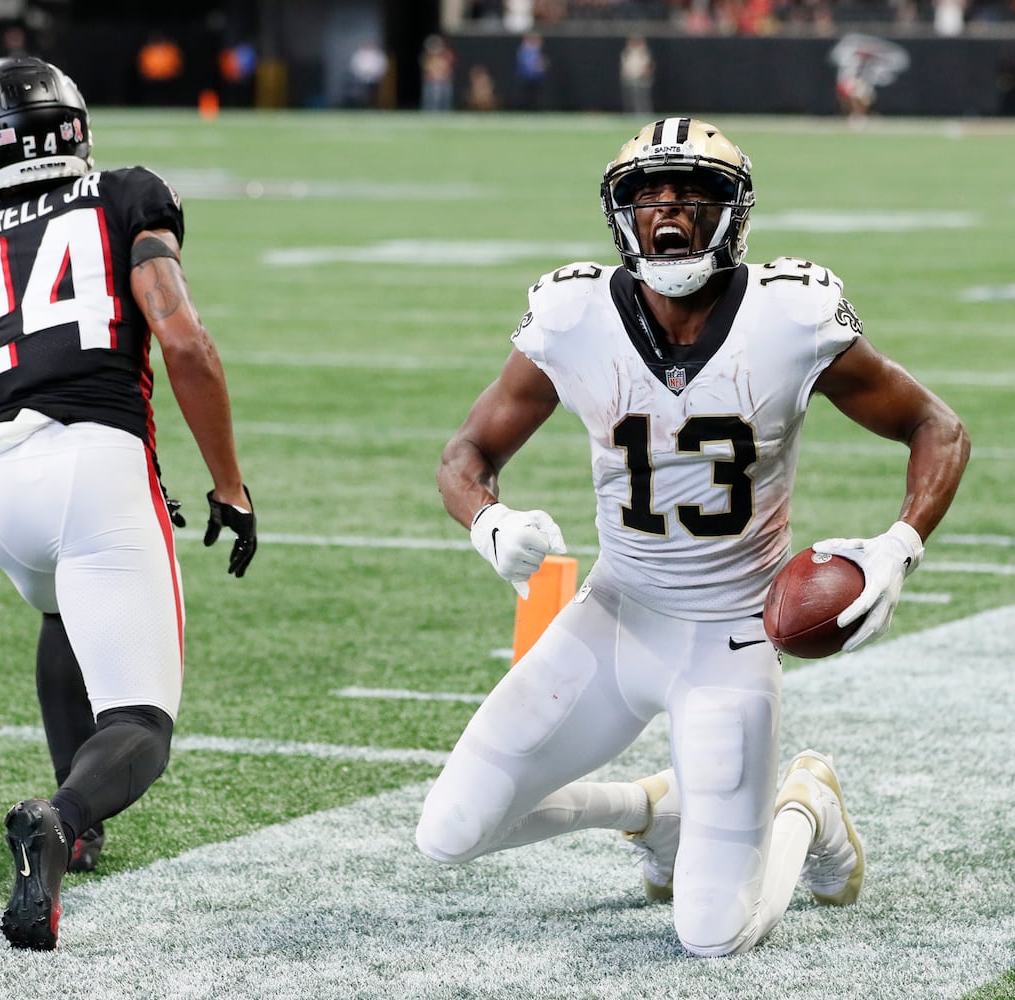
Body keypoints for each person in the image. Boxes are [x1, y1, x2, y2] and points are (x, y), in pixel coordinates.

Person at [417, 117, 968, 957]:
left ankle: (805, 806)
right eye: (648, 196)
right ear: (621, 215)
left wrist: (899, 544)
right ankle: (653, 809)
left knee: (716, 933)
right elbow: (469, 452)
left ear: (734, 215)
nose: (669, 213)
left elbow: (937, 426)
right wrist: (486, 517)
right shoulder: (572, 314)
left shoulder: (791, 316)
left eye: (694, 194)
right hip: (613, 616)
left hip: (731, 636)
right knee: (449, 833)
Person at [0, 56, 258, 950]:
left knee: (63, 604)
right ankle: (62, 818)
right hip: (98, 457)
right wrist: (228, 482)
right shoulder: (127, 196)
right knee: (142, 724)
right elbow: (184, 342)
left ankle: (84, 827)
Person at [619, 35, 654, 116]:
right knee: (629, 97)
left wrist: (643, 74)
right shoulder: (626, 53)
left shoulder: (643, 52)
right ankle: (630, 113)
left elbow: (648, 65)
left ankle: (643, 113)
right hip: (629, 78)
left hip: (641, 79)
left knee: (642, 97)